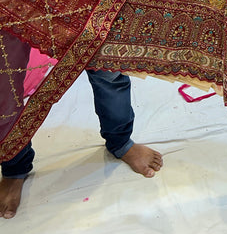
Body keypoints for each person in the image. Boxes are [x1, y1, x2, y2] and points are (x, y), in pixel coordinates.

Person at [0, 30, 163, 219]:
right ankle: (14, 165)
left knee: (109, 69)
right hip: (8, 7)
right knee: (4, 92)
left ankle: (121, 141)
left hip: (89, 3)